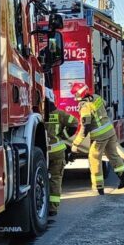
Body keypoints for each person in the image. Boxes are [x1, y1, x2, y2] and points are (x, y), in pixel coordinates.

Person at [70, 82, 124, 194]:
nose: (74, 96)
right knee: (113, 155)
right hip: (110, 131)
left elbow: (85, 126)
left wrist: (76, 144)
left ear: (80, 94)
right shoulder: (96, 97)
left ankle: (99, 188)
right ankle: (123, 179)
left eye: (75, 93)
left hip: (99, 137)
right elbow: (105, 104)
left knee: (94, 160)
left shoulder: (84, 106)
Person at [44, 89, 76, 219]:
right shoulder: (59, 114)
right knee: (56, 179)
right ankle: (53, 208)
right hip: (57, 152)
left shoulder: (37, 115)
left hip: (43, 153)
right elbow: (74, 122)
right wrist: (64, 136)